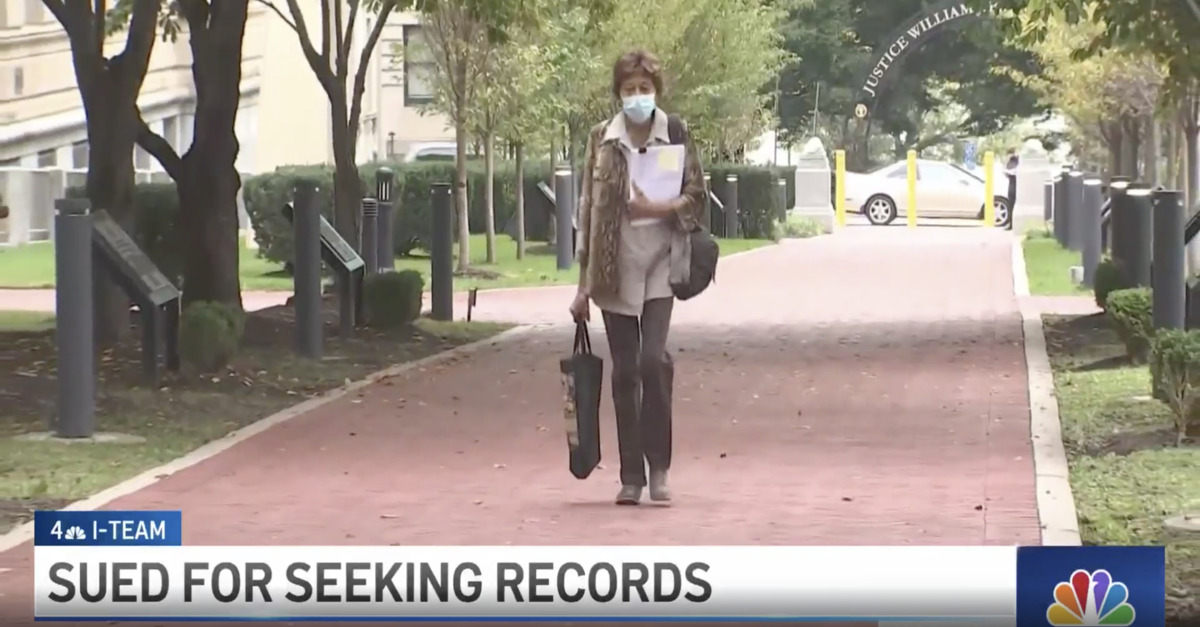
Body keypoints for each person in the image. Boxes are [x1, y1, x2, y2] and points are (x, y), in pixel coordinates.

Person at [568, 49, 706, 506]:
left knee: (653, 361)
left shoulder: (676, 133)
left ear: (656, 91)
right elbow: (587, 209)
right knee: (625, 371)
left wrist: (657, 209)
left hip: (663, 264)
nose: (637, 97)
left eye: (644, 89)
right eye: (629, 90)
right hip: (615, 267)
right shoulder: (601, 140)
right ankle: (632, 476)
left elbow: (696, 196)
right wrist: (583, 286)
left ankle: (660, 467)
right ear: (619, 94)